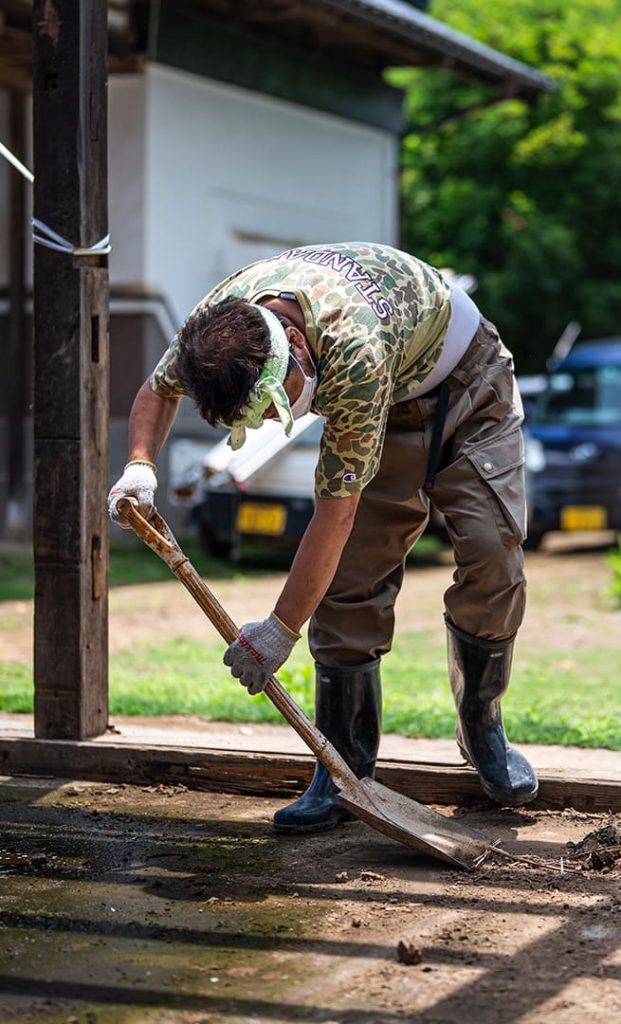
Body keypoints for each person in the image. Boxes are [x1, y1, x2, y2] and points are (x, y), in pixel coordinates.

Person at [108, 241, 538, 833]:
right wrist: (139, 467)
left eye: (273, 406)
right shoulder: (214, 335)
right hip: (389, 381)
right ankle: (344, 766)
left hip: (466, 381)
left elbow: (331, 516)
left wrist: (279, 631)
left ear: (299, 349)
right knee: (353, 575)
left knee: (492, 553)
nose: (267, 424)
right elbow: (158, 391)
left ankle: (482, 723)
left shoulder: (351, 352)